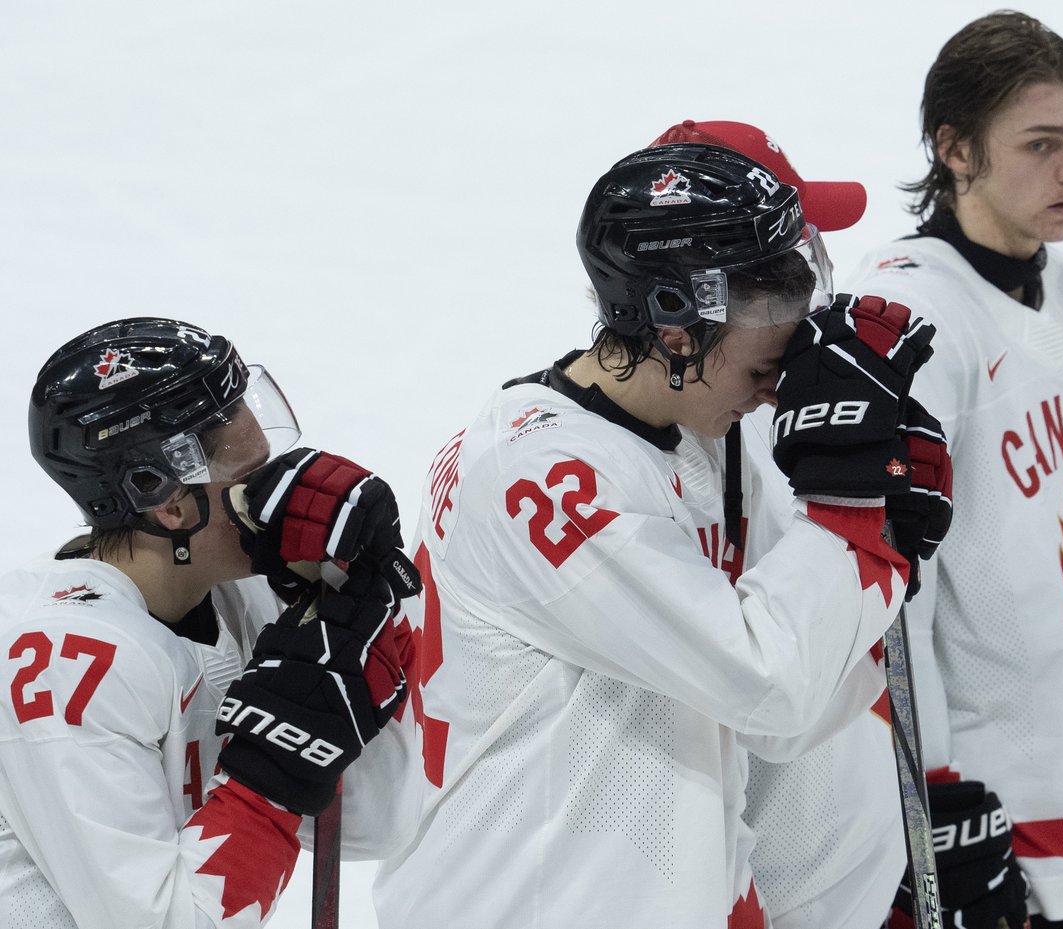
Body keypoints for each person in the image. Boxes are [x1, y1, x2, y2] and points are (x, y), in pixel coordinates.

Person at [372, 141, 945, 928]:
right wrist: (854, 524)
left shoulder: (693, 439)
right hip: (521, 903)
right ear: (676, 329)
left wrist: (882, 543)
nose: (783, 376)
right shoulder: (541, 472)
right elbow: (767, 681)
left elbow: (772, 719)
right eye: (762, 350)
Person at [851, 12, 1063, 926]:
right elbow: (898, 590)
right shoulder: (910, 313)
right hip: (993, 807)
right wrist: (930, 797)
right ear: (955, 149)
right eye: (1041, 143)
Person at [0, 317, 418, 928]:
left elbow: (374, 825)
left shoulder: (242, 595)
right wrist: (274, 767)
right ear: (166, 501)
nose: (281, 498)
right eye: (252, 482)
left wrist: (356, 597)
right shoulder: (64, 661)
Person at [649, 118, 911, 929]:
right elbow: (765, 700)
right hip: (772, 894)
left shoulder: (769, 421)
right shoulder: (669, 465)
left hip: (839, 883)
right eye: (795, 258)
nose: (811, 286)